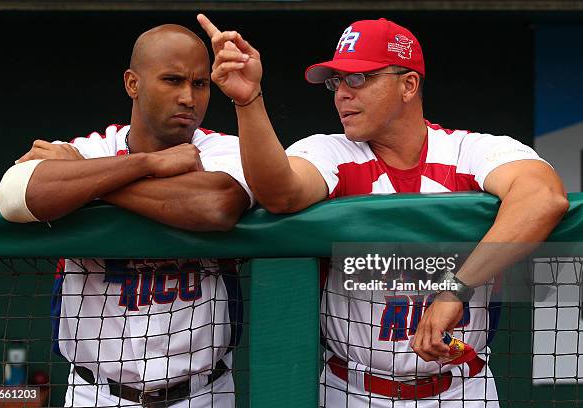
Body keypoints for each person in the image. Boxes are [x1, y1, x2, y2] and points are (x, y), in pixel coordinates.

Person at [197, 14, 569, 407]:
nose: (342, 93)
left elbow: (544, 197)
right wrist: (248, 100)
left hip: (462, 388)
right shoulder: (331, 150)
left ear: (408, 84)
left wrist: (454, 290)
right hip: (352, 389)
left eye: (358, 78)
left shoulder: (468, 151)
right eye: (336, 81)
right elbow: (279, 194)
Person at [0, 24, 254, 408]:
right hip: (95, 392)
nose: (188, 97)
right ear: (133, 84)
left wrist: (91, 181)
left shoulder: (223, 150)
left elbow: (215, 205)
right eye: (172, 80)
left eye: (200, 84)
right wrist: (149, 164)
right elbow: (17, 195)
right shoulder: (93, 147)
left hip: (202, 392)